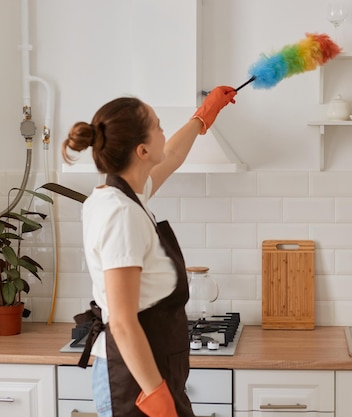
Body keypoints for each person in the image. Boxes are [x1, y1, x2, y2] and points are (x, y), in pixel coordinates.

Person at [61, 86, 237, 417]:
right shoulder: (121, 214)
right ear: (142, 150)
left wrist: (203, 117)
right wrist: (157, 397)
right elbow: (124, 322)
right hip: (134, 380)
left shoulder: (126, 197)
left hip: (148, 369)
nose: (163, 131)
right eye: (157, 125)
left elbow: (171, 156)